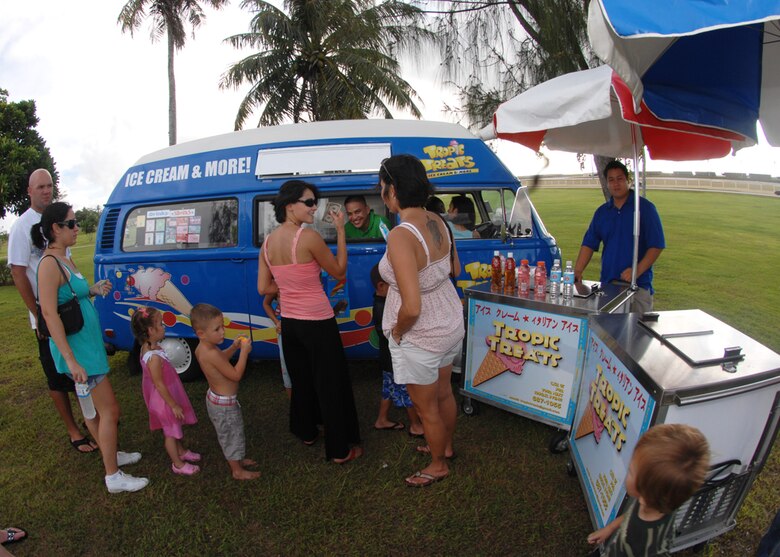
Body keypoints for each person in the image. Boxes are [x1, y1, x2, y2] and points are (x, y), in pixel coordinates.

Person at [33, 202, 148, 493]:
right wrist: (71, 361)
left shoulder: (64, 258)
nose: (77, 228)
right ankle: (113, 476)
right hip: (79, 353)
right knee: (110, 411)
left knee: (94, 411)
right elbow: (48, 313)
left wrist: (94, 290)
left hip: (87, 348)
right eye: (71, 224)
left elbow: (71, 294)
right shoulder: (49, 264)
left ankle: (111, 454)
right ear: (55, 229)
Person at [257, 180, 362, 464]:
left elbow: (263, 288)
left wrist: (286, 286)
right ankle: (339, 450)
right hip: (317, 321)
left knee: (301, 381)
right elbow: (338, 270)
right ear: (289, 205)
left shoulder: (267, 243)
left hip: (290, 323)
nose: (315, 207)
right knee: (330, 383)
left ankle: (307, 432)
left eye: (315, 201)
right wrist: (341, 231)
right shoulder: (309, 237)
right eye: (309, 202)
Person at [378, 155, 465, 487]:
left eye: (382, 186)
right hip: (448, 321)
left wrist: (398, 333)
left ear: (392, 190)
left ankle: (437, 463)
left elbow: (411, 308)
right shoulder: (436, 218)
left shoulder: (402, 236)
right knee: (443, 393)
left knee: (425, 404)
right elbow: (449, 270)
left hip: (423, 330)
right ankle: (445, 446)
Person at [6, 169, 97, 454]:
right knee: (56, 375)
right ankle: (74, 431)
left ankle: (92, 420)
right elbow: (18, 272)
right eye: (40, 187)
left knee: (79, 367)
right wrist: (37, 313)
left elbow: (68, 262)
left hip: (70, 310)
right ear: (29, 191)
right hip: (46, 314)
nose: (46, 191)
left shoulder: (60, 221)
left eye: (50, 186)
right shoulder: (22, 226)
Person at [586, 423, 710, 557]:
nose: (627, 471)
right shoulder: (655, 501)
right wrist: (609, 529)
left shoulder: (651, 548)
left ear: (646, 491)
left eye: (631, 471)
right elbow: (631, 514)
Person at [574, 160, 665, 313]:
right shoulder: (602, 212)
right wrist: (578, 270)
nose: (616, 184)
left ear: (628, 180)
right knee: (608, 332)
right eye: (611, 180)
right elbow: (589, 243)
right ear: (607, 184)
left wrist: (636, 271)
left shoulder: (645, 208)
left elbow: (656, 245)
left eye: (620, 178)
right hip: (609, 286)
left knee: (637, 334)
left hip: (638, 288)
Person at [191, 303, 260, 480]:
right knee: (230, 435)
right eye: (217, 329)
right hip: (224, 406)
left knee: (234, 432)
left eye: (223, 326)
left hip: (217, 400)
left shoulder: (204, 348)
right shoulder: (211, 353)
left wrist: (234, 347)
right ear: (201, 333)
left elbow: (221, 359)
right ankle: (237, 470)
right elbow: (236, 375)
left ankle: (238, 459)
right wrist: (244, 352)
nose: (223, 332)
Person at [130, 306, 200, 476]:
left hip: (167, 394)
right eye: (161, 324)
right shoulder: (153, 357)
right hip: (164, 399)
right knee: (170, 432)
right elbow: (159, 384)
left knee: (174, 428)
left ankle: (181, 451)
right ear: (150, 330)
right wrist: (173, 405)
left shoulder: (151, 348)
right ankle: (178, 464)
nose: (164, 327)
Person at [370, 264, 424, 437]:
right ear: (381, 286)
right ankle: (415, 425)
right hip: (394, 358)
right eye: (395, 285)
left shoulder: (382, 302)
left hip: (387, 358)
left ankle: (381, 419)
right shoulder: (382, 307)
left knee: (389, 388)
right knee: (407, 390)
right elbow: (391, 333)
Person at [262, 292, 292, 398]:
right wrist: (277, 321)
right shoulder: (277, 282)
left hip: (306, 330)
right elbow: (266, 303)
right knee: (287, 370)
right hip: (286, 332)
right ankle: (294, 406)